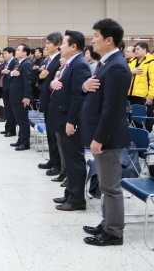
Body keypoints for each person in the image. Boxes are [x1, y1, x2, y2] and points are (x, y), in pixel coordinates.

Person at [81, 18, 131, 247]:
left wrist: (99, 138)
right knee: (104, 185)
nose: (92, 41)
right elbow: (94, 90)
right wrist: (84, 87)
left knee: (110, 187)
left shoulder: (118, 66)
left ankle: (114, 232)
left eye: (96, 37)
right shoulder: (106, 62)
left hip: (108, 138)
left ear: (109, 40)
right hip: (100, 134)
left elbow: (112, 109)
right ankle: (106, 222)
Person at [47, 31, 91, 211]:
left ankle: (77, 199)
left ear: (73, 46)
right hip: (62, 117)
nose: (60, 46)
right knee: (68, 157)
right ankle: (70, 193)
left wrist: (71, 121)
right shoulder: (70, 64)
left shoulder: (80, 65)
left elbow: (78, 96)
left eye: (63, 43)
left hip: (69, 120)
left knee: (74, 159)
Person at [37, 32, 63, 178]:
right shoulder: (48, 60)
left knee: (54, 134)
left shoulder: (60, 59)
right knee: (50, 133)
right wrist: (40, 77)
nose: (46, 46)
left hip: (54, 102)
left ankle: (57, 164)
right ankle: (52, 159)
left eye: (48, 43)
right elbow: (42, 80)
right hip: (46, 99)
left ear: (57, 45)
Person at [127, 41, 154, 132]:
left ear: (144, 50)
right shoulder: (133, 61)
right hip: (131, 94)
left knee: (144, 120)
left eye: (138, 49)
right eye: (135, 49)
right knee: (132, 119)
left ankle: (145, 137)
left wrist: (150, 96)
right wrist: (132, 72)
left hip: (143, 95)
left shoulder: (151, 62)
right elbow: (126, 74)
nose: (136, 51)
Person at [9, 44, 33, 151]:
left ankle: (25, 142)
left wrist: (27, 97)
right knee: (19, 119)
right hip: (15, 96)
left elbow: (27, 82)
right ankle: (20, 139)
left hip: (21, 97)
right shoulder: (19, 63)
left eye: (18, 50)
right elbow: (12, 75)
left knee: (23, 120)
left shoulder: (26, 64)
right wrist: (12, 74)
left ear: (25, 53)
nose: (16, 51)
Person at [0, 47, 18, 138]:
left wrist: (8, 72)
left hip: (11, 89)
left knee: (11, 110)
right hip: (4, 88)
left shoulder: (15, 62)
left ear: (11, 53)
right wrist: (3, 71)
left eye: (5, 53)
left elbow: (14, 73)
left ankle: (12, 130)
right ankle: (7, 128)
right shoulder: (6, 63)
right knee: (7, 109)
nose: (4, 55)